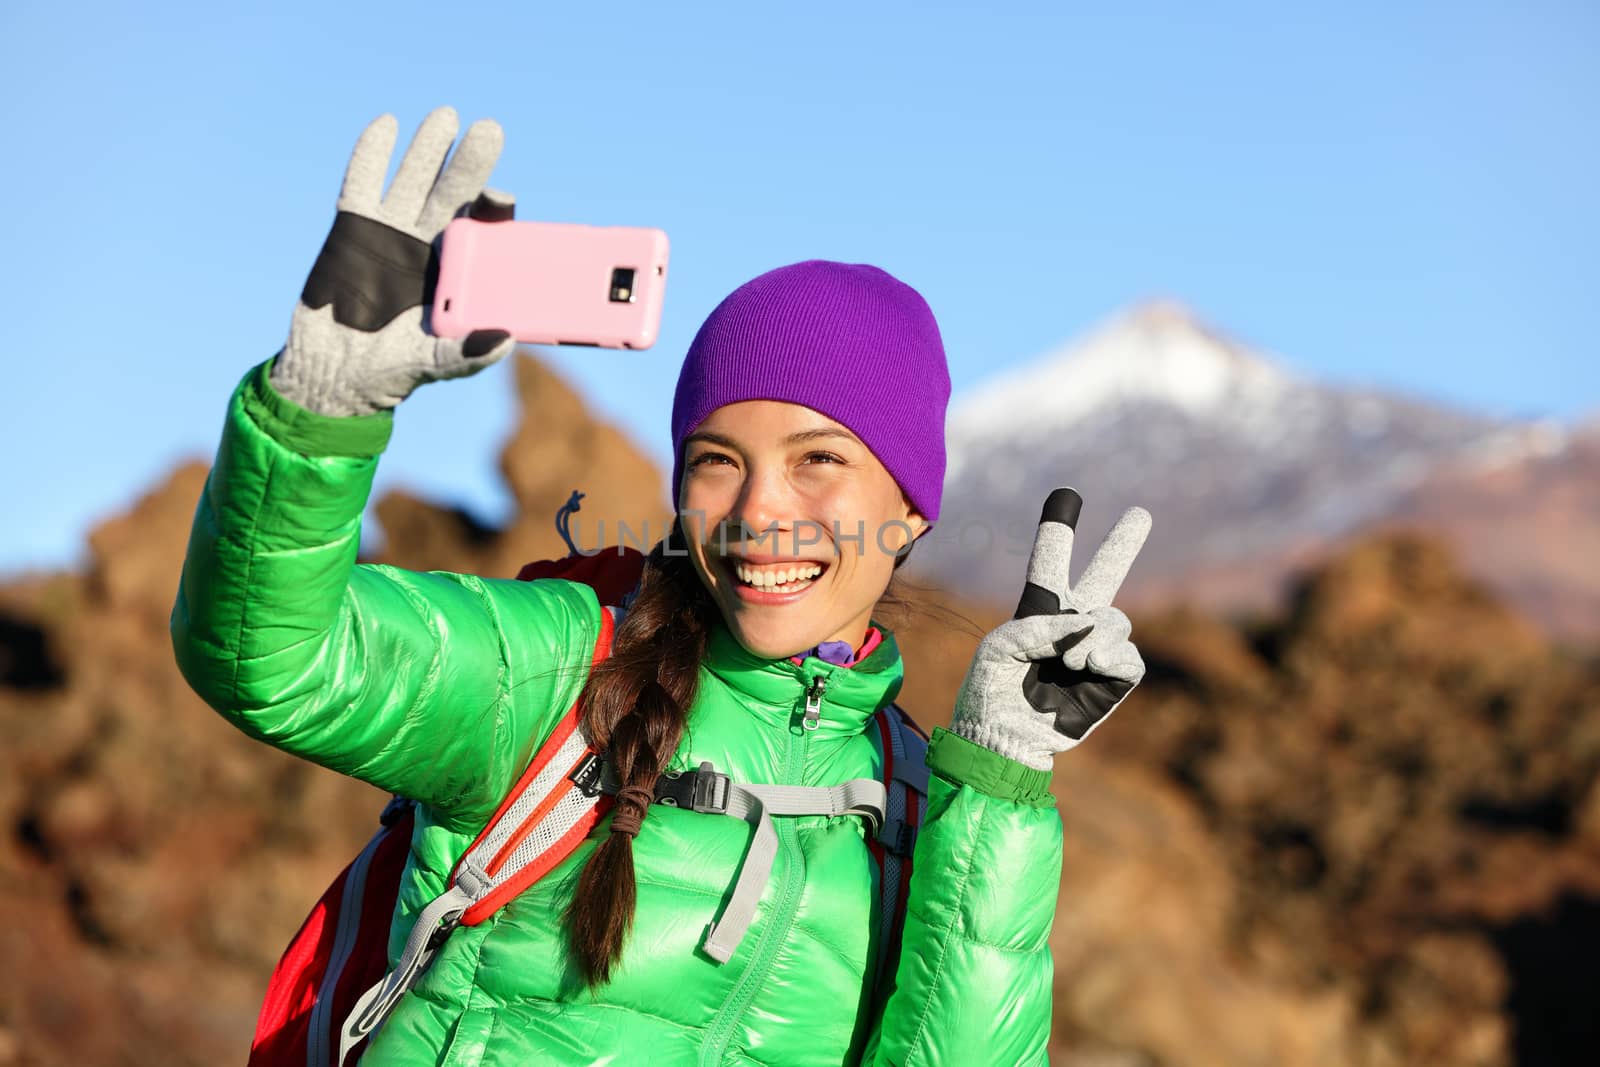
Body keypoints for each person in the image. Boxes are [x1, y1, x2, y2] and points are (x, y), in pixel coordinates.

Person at [171, 107, 1150, 1067]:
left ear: (908, 508)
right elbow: (276, 657)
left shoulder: (910, 798)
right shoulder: (557, 672)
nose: (760, 511)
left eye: (818, 460)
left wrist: (998, 781)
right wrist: (318, 412)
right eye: (718, 460)